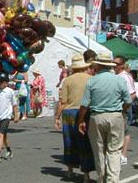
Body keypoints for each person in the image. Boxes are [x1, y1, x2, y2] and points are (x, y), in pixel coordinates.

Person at [78, 52, 132, 183]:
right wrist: (121, 109)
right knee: (114, 150)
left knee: (99, 149)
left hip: (97, 116)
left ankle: (102, 176)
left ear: (98, 65)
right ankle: (113, 179)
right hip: (115, 115)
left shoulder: (93, 80)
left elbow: (84, 104)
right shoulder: (119, 79)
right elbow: (128, 100)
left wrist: (81, 120)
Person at [54, 54, 95, 182]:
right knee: (85, 142)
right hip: (85, 111)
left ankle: (70, 170)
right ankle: (86, 175)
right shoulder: (91, 79)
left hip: (69, 112)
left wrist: (57, 117)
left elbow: (62, 101)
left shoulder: (68, 80)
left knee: (69, 142)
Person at [113, 55, 136, 166]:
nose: (114, 66)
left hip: (122, 107)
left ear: (122, 65)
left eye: (117, 64)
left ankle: (124, 155)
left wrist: (124, 108)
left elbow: (132, 94)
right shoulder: (114, 75)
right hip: (114, 108)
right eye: (113, 63)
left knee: (125, 131)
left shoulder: (125, 77)